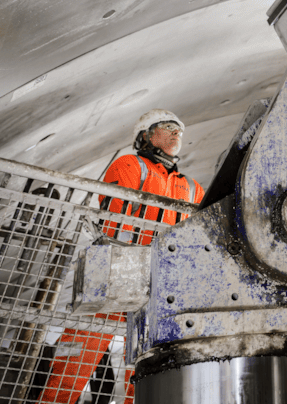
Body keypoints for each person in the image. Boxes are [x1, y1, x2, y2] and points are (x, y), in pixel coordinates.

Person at [38, 110, 205, 404]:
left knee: (146, 365)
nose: (177, 133)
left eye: (180, 129)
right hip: (116, 271)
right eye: (168, 127)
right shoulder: (129, 165)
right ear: (145, 136)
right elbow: (119, 218)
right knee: (78, 353)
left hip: (160, 284)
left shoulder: (192, 187)